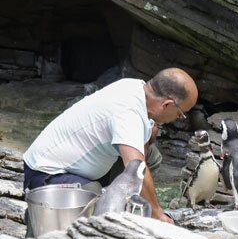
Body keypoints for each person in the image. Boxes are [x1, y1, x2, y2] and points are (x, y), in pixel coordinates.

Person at [23, 68, 198, 227]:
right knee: (94, 197)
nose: (178, 118)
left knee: (151, 156)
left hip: (81, 167)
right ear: (166, 104)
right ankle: (106, 220)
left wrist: (147, 133)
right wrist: (158, 215)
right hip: (47, 173)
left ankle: (123, 207)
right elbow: (136, 167)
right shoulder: (128, 113)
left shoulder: (135, 87)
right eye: (180, 114)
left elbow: (142, 152)